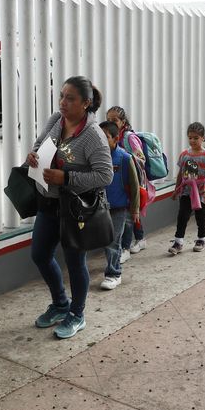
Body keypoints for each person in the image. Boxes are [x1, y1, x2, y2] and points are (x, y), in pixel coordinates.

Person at [26, 76, 112, 339]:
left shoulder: (93, 136)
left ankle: (77, 313)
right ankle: (60, 304)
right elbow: (40, 144)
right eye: (61, 95)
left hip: (75, 209)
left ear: (86, 103)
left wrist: (68, 178)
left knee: (75, 262)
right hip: (48, 202)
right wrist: (32, 154)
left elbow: (105, 175)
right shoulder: (56, 120)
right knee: (40, 254)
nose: (62, 102)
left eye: (70, 98)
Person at [105, 106, 154, 258]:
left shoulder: (128, 138)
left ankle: (126, 247)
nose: (111, 123)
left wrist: (125, 157)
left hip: (131, 181)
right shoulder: (109, 136)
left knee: (129, 215)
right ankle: (139, 239)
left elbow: (141, 159)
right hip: (118, 182)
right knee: (128, 215)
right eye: (108, 120)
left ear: (123, 122)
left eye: (115, 120)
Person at [97, 121, 139, 290]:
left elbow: (135, 186)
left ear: (116, 138)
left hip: (118, 208)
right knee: (105, 240)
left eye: (105, 137)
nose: (101, 140)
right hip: (98, 208)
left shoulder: (124, 158)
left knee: (113, 241)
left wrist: (134, 209)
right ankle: (112, 266)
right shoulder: (94, 157)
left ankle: (114, 274)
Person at [168, 122, 205, 254]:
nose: (192, 140)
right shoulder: (184, 155)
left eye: (196, 138)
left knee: (201, 217)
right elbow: (180, 174)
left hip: (201, 192)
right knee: (182, 216)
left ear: (203, 138)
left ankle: (202, 239)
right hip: (186, 192)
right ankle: (178, 242)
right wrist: (176, 190)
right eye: (190, 137)